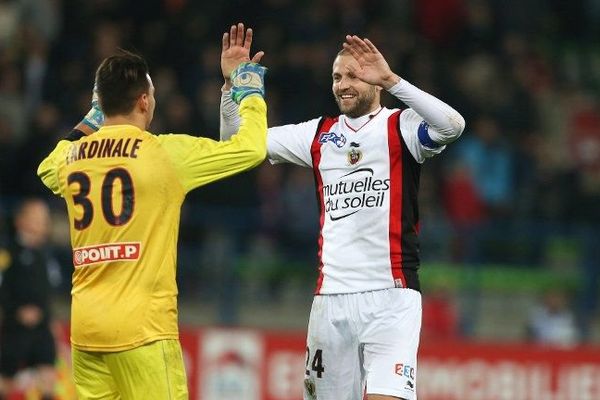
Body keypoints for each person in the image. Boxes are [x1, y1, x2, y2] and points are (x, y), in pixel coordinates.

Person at [220, 25, 465, 400]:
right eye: (337, 76)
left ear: (376, 81)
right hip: (331, 300)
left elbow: (452, 125)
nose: (343, 84)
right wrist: (231, 87)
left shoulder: (401, 128)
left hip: (391, 296)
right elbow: (235, 146)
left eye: (354, 74)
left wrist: (394, 80)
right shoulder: (318, 135)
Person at [37, 35, 268, 399]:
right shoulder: (164, 154)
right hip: (142, 329)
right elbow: (252, 149)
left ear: (102, 103)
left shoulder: (71, 157)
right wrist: (247, 87)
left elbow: (46, 169)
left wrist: (92, 118)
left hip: (86, 328)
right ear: (144, 100)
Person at [0, 198, 59, 400]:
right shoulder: (7, 253)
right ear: (20, 221)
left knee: (48, 377)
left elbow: (49, 291)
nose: (42, 224)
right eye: (35, 218)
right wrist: (15, 311)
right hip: (13, 328)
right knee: (6, 379)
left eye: (44, 219)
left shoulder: (47, 256)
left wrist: (50, 320)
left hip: (41, 328)